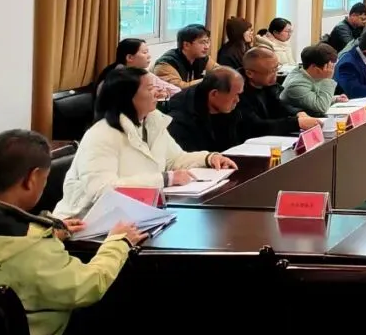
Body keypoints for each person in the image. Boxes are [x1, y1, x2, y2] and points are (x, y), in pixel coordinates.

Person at [0, 130, 147, 335]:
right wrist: (118, 243)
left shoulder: (26, 240)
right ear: (32, 179)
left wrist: (50, 230)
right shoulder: (33, 249)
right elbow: (87, 286)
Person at [54, 67, 236, 219]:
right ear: (128, 97)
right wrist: (165, 179)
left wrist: (208, 158)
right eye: (150, 88)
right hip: (88, 222)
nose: (158, 92)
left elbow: (175, 159)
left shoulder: (152, 121)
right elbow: (101, 190)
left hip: (136, 214)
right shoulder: (101, 135)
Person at [239, 48, 322, 136]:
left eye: (276, 68)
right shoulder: (237, 92)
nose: (275, 74)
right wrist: (296, 123)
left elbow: (282, 105)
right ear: (250, 73)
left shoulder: (269, 85)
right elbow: (256, 126)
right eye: (271, 71)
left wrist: (298, 113)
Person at [166, 67, 246, 153]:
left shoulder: (231, 109)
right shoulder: (180, 121)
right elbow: (187, 156)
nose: (238, 100)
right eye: (235, 95)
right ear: (214, 94)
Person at [95, 38, 178, 99]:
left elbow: (175, 91)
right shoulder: (116, 78)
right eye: (144, 52)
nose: (149, 56)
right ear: (129, 57)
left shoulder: (140, 73)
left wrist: (165, 94)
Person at [279, 43, 348, 117]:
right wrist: (327, 79)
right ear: (314, 67)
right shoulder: (296, 85)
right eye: (329, 67)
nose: (331, 70)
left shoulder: (309, 74)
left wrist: (335, 99)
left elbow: (313, 98)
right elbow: (322, 107)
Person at [154, 24, 215, 89]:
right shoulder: (165, 64)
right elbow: (180, 89)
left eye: (208, 42)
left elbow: (219, 71)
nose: (207, 47)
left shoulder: (201, 57)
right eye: (202, 42)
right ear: (186, 45)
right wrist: (208, 80)